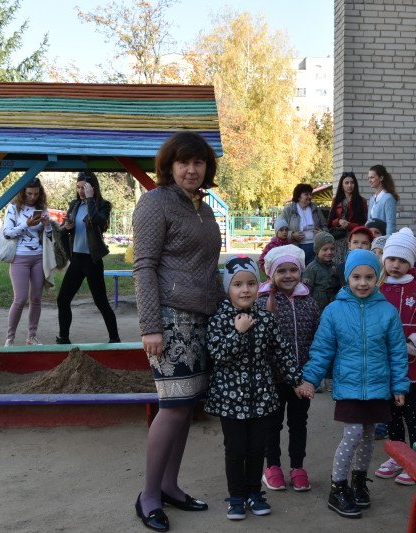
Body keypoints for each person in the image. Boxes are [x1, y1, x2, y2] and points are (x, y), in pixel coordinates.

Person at [132, 132, 224, 531]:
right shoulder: (155, 202)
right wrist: (150, 326)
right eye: (183, 162)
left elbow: (208, 267)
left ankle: (170, 485)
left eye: (198, 162)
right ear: (169, 166)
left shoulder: (205, 208)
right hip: (170, 320)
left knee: (186, 407)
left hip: (204, 318)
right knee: (172, 408)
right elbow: (143, 266)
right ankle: (149, 495)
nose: (191, 169)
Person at [297, 249, 409, 518]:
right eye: (356, 277)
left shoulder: (387, 311)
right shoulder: (334, 311)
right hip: (348, 386)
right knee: (353, 434)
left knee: (369, 436)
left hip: (378, 386)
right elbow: (322, 349)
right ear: (347, 278)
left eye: (369, 277)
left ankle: (359, 482)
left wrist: (399, 385)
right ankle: (338, 487)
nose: (362, 283)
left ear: (377, 278)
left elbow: (397, 352)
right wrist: (310, 379)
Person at [206, 255, 303, 521]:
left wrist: (297, 380)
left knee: (257, 448)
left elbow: (282, 353)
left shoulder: (266, 319)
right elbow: (218, 354)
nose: (245, 290)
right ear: (228, 288)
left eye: (251, 283)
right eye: (238, 284)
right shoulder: (219, 320)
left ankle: (254, 493)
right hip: (230, 400)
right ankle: (236, 497)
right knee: (235, 449)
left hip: (261, 397)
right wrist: (237, 332)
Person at [374, 229, 416, 486]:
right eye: (391, 259)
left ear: (410, 262)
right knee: (391, 413)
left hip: (411, 366)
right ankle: (398, 456)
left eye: (402, 260)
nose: (395, 264)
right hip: (384, 365)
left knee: (411, 412)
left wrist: (414, 345)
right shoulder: (377, 288)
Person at [257, 245, 321, 493]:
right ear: (271, 273)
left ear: (300, 271)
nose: (287, 275)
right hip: (272, 378)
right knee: (271, 424)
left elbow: (317, 336)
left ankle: (297, 467)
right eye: (281, 271)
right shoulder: (262, 301)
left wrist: (313, 373)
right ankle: (272, 466)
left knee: (298, 423)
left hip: (301, 379)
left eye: (292, 270)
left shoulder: (309, 302)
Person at [56, 171, 120, 344]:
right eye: (78, 187)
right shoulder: (74, 204)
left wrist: (91, 199)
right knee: (63, 299)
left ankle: (114, 339)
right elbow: (63, 230)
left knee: (101, 302)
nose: (80, 191)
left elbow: (98, 221)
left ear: (92, 187)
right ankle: (64, 338)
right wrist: (67, 227)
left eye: (84, 187)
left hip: (92, 260)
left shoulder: (103, 205)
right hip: (76, 259)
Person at [2, 178, 52, 346]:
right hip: (19, 257)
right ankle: (10, 338)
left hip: (38, 257)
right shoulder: (13, 208)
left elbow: (49, 236)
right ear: (23, 192)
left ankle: (32, 336)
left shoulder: (41, 208)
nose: (32, 197)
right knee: (20, 299)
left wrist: (47, 225)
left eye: (36, 194)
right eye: (29, 193)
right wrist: (27, 224)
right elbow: (7, 233)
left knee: (36, 298)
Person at [327, 171, 368, 264]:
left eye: (352, 182)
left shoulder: (362, 201)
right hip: (338, 239)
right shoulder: (336, 201)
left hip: (354, 239)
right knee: (338, 265)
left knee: (353, 263)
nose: (350, 185)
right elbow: (329, 222)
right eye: (346, 183)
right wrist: (339, 221)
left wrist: (349, 225)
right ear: (342, 186)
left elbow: (364, 223)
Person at [281, 183, 327, 265]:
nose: (309, 196)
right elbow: (280, 229)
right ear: (298, 197)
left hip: (315, 247)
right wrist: (292, 235)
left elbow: (325, 226)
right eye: (306, 194)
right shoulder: (289, 210)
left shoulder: (316, 209)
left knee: (313, 270)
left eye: (310, 194)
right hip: (296, 247)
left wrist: (322, 233)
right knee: (298, 270)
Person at [302, 231, 341, 312]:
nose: (329, 252)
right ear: (317, 251)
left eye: (332, 249)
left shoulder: (336, 267)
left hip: (334, 308)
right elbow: (306, 292)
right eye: (325, 249)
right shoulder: (311, 269)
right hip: (317, 310)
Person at [367, 165, 399, 236]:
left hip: (383, 238)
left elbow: (391, 224)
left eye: (372, 177)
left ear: (381, 178)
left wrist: (388, 240)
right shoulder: (372, 199)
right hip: (371, 237)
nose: (369, 180)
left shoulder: (388, 198)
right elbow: (369, 221)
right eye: (369, 178)